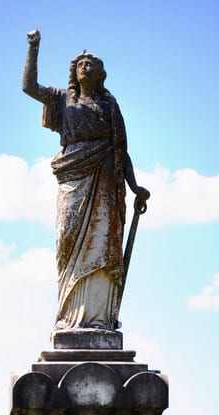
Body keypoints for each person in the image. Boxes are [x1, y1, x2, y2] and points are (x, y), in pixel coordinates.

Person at [22, 29, 149, 333]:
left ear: (101, 74)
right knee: (66, 239)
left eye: (91, 64)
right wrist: (34, 48)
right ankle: (68, 316)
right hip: (73, 177)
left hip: (105, 179)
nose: (85, 67)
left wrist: (134, 187)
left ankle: (99, 319)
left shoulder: (109, 106)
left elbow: (121, 150)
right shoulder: (62, 99)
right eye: (80, 64)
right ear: (74, 71)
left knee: (102, 242)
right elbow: (29, 87)